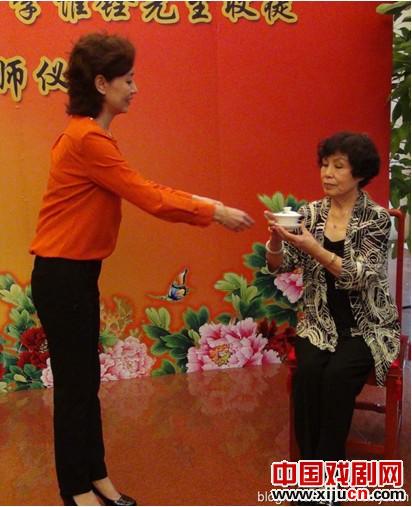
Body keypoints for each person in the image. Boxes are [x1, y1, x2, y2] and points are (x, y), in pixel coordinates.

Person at [30, 33, 254, 507]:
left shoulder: (90, 136)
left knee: (84, 383)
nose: (135, 89)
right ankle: (75, 490)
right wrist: (214, 210)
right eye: (128, 80)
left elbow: (142, 187)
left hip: (74, 275)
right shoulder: (87, 139)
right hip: (63, 275)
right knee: (75, 388)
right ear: (101, 83)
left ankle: (97, 477)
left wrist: (204, 204)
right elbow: (148, 196)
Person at [264, 132, 400, 465]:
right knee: (309, 375)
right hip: (319, 321)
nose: (327, 173)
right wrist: (277, 241)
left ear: (360, 173)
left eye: (338, 166)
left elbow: (360, 275)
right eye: (325, 165)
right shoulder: (310, 213)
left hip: (366, 325)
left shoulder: (376, 218)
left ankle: (328, 467)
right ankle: (310, 466)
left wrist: (314, 248)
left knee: (337, 377)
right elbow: (281, 266)